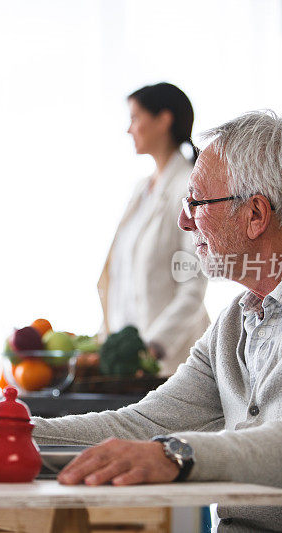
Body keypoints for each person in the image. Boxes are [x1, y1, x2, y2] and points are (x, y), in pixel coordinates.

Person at [0, 111, 282, 531]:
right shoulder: (237, 319)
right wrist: (1, 432)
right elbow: (142, 424)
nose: (184, 222)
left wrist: (174, 454)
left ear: (255, 215)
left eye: (196, 203)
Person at [100, 82, 209, 374]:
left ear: (164, 120)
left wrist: (151, 348)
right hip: (131, 369)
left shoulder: (188, 186)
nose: (129, 129)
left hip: (171, 363)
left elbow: (193, 286)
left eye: (135, 118)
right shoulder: (141, 190)